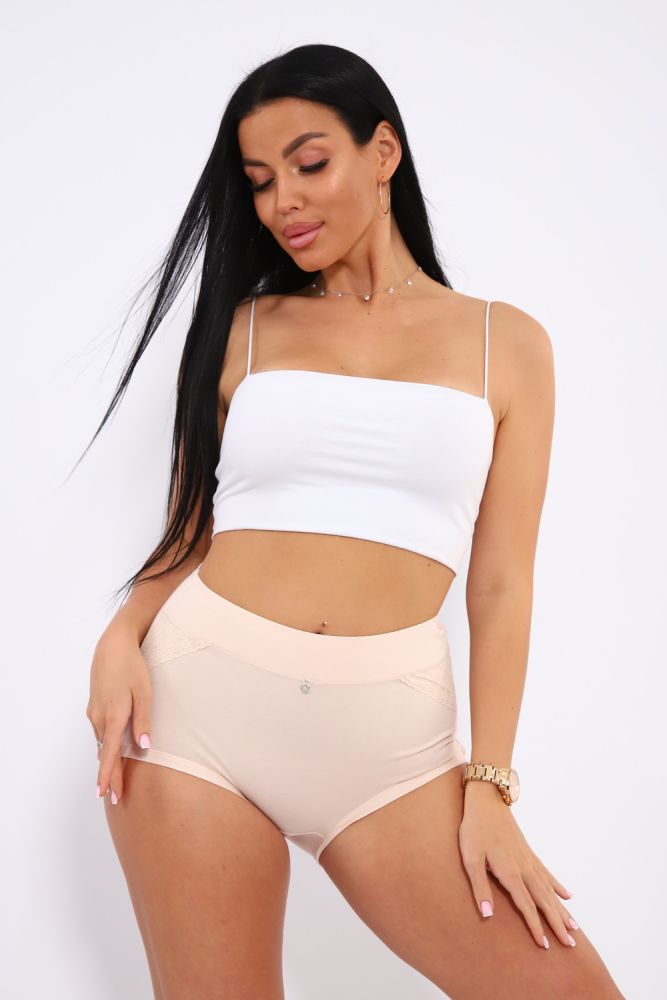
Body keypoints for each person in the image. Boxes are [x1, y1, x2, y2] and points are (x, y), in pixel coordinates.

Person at [85, 43, 624, 1000]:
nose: (282, 202)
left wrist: (490, 785)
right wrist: (121, 635)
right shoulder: (243, 329)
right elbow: (189, 531)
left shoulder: (505, 343)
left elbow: (502, 584)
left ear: (382, 153)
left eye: (308, 164)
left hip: (388, 751)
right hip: (191, 719)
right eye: (259, 182)